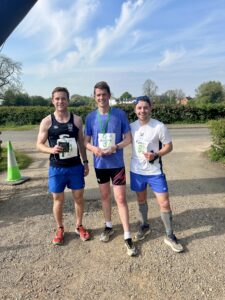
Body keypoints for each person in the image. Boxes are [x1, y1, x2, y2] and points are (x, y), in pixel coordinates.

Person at [84, 81, 137, 257]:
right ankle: (108, 226)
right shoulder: (91, 117)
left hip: (116, 164)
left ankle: (127, 235)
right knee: (105, 196)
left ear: (109, 95)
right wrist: (94, 149)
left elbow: (128, 139)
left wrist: (115, 147)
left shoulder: (120, 114)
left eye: (104, 94)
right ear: (94, 97)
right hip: (100, 165)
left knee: (120, 198)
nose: (101, 98)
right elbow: (85, 141)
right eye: (98, 95)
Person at [36, 87, 91, 245]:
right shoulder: (47, 121)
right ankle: (60, 228)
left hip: (75, 166)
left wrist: (86, 162)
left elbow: (81, 143)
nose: (60, 101)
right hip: (57, 167)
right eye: (57, 98)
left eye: (63, 98)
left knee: (78, 197)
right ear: (53, 100)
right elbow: (39, 144)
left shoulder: (77, 120)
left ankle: (79, 225)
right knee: (57, 199)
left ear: (68, 100)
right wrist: (50, 149)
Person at [130, 95, 183, 253]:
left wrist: (156, 154)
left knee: (164, 203)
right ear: (135, 110)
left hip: (154, 172)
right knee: (141, 200)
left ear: (151, 108)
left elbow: (169, 146)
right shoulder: (131, 126)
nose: (142, 110)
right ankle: (144, 226)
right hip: (136, 171)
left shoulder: (159, 126)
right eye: (139, 108)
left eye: (145, 107)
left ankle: (170, 235)